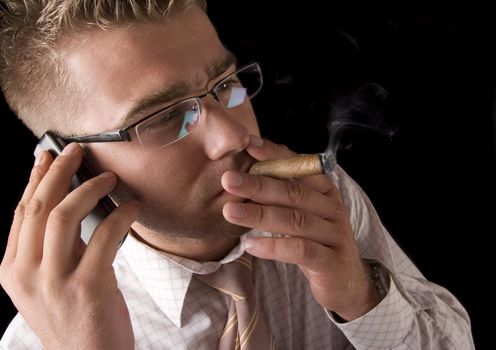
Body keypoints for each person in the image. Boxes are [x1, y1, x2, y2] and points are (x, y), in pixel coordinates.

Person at [0, 1, 475, 349]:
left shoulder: (318, 203)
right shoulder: (45, 340)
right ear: (71, 164)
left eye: (224, 84)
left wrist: (361, 296)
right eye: (164, 117)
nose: (230, 137)